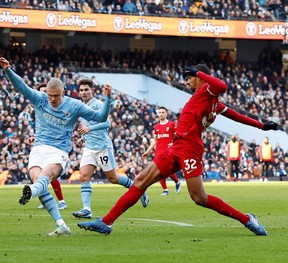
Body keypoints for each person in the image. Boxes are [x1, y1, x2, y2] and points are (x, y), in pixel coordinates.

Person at [78, 64, 277, 236]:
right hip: (176, 146)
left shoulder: (208, 91)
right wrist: (260, 126)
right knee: (140, 181)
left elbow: (222, 86)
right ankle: (106, 222)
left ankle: (246, 219)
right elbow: (236, 116)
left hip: (190, 149)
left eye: (189, 78)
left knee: (199, 198)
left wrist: (199, 74)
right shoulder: (209, 98)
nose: (187, 83)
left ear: (199, 78)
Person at [0, 57, 112, 236]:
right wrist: (8, 70)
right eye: (50, 95)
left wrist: (108, 99)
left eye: (56, 96)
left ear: (63, 92)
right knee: (39, 181)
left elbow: (101, 118)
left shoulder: (74, 105)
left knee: (45, 176)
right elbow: (21, 87)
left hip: (58, 150)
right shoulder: (40, 99)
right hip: (38, 148)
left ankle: (31, 191)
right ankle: (61, 224)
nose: (52, 99)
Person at [72, 79, 149, 220]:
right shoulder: (80, 107)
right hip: (89, 147)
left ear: (92, 91)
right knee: (84, 176)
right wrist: (83, 137)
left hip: (103, 148)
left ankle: (140, 190)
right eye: (81, 90)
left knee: (113, 178)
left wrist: (90, 129)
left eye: (86, 90)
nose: (83, 93)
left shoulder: (98, 104)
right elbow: (84, 127)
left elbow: (106, 123)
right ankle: (86, 209)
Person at [33, 84, 67, 211]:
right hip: (40, 144)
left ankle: (61, 201)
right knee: (39, 174)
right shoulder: (39, 107)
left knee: (49, 175)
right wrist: (34, 137)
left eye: (45, 93)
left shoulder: (58, 108)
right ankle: (46, 199)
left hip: (55, 145)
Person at [142, 106, 182, 195]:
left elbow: (178, 136)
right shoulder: (156, 127)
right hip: (159, 152)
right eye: (159, 112)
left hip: (169, 152)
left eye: (163, 112)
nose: (161, 114)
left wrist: (173, 143)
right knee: (159, 171)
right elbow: (155, 140)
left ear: (166, 114)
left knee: (168, 171)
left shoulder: (171, 125)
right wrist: (147, 151)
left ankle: (177, 182)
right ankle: (165, 190)